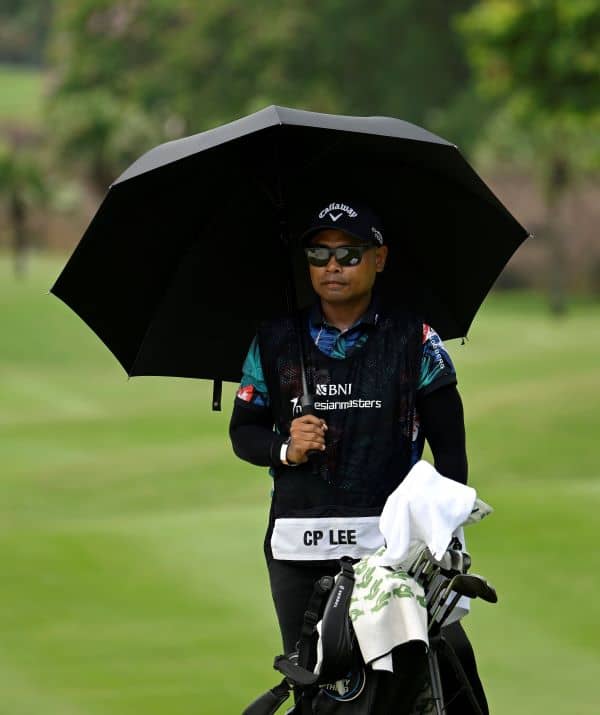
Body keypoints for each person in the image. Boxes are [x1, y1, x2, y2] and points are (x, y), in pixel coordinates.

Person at [229, 199, 489, 713]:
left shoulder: (417, 340)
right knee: (322, 690)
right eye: (319, 254)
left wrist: (440, 537)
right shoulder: (275, 341)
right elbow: (243, 433)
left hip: (391, 548)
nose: (332, 266)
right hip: (300, 547)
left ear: (379, 258)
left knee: (414, 686)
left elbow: (452, 455)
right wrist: (286, 446)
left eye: (349, 254)